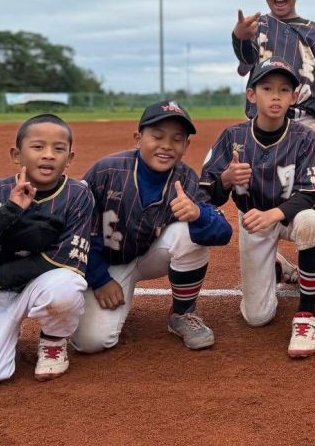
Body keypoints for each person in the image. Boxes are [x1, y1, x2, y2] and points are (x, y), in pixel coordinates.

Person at [71, 102, 232, 354]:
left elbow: (224, 233)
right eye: (157, 136)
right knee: (91, 342)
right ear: (138, 139)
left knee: (189, 232)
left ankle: (182, 313)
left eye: (177, 139)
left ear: (186, 146)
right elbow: (77, 231)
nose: (166, 145)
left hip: (150, 256)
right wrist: (100, 279)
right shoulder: (107, 171)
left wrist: (198, 215)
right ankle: (114, 294)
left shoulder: (186, 178)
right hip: (107, 263)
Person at [0, 114, 93, 386]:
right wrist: (9, 210)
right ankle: (2, 339)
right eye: (38, 146)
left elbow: (65, 258)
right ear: (17, 155)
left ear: (69, 159)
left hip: (40, 283)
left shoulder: (77, 195)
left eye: (58, 149)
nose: (48, 155)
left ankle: (53, 341)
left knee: (67, 285)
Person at [232, 0, 315, 301]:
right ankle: (269, 259)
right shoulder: (258, 27)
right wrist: (239, 36)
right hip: (264, 125)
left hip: (306, 122)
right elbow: (246, 58)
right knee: (260, 187)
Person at [201, 59, 315, 358]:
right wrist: (226, 179)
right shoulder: (233, 137)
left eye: (284, 90)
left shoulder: (304, 137)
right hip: (253, 219)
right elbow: (206, 194)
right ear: (251, 95)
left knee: (312, 221)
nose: (275, 96)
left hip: (290, 215)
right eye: (267, 89)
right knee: (257, 317)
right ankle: (277, 265)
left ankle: (306, 315)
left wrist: (275, 214)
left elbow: (310, 193)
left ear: (293, 98)